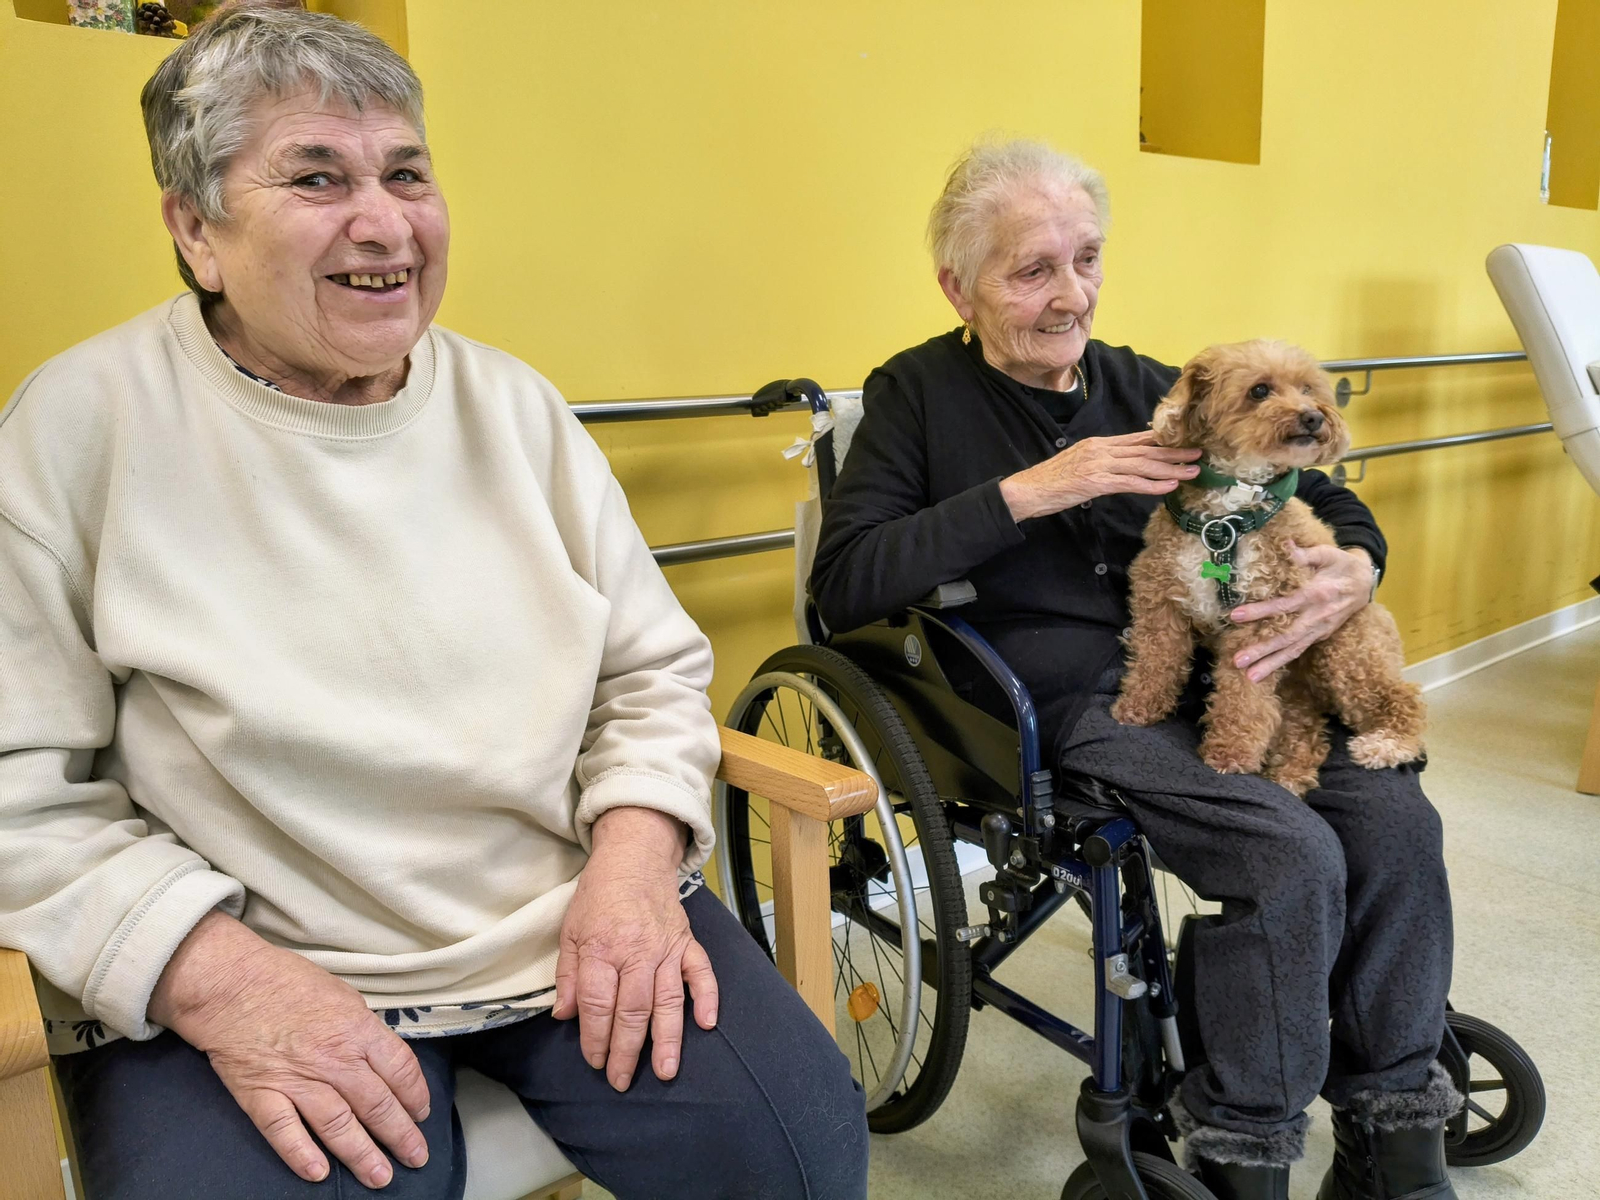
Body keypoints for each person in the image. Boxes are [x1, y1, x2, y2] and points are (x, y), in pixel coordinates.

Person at [0, 8, 866, 1198]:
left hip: (563, 916)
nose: (386, 222)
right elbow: (18, 788)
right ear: (196, 229)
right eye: (317, 176)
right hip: (258, 950)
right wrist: (219, 977)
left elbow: (649, 674)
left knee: (795, 1160)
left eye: (406, 172)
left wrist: (629, 864)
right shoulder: (77, 425)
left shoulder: (515, 409)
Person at [811, 140, 1459, 1200]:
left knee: (1394, 821)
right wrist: (1032, 490)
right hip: (1055, 697)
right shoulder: (916, 396)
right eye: (1032, 271)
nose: (1072, 297)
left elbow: (1324, 498)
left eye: (1087, 259)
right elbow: (846, 580)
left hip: (1227, 675)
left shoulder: (1153, 384)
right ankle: (1246, 1146)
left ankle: (1395, 1134)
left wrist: (1355, 567)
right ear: (956, 286)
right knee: (1287, 851)